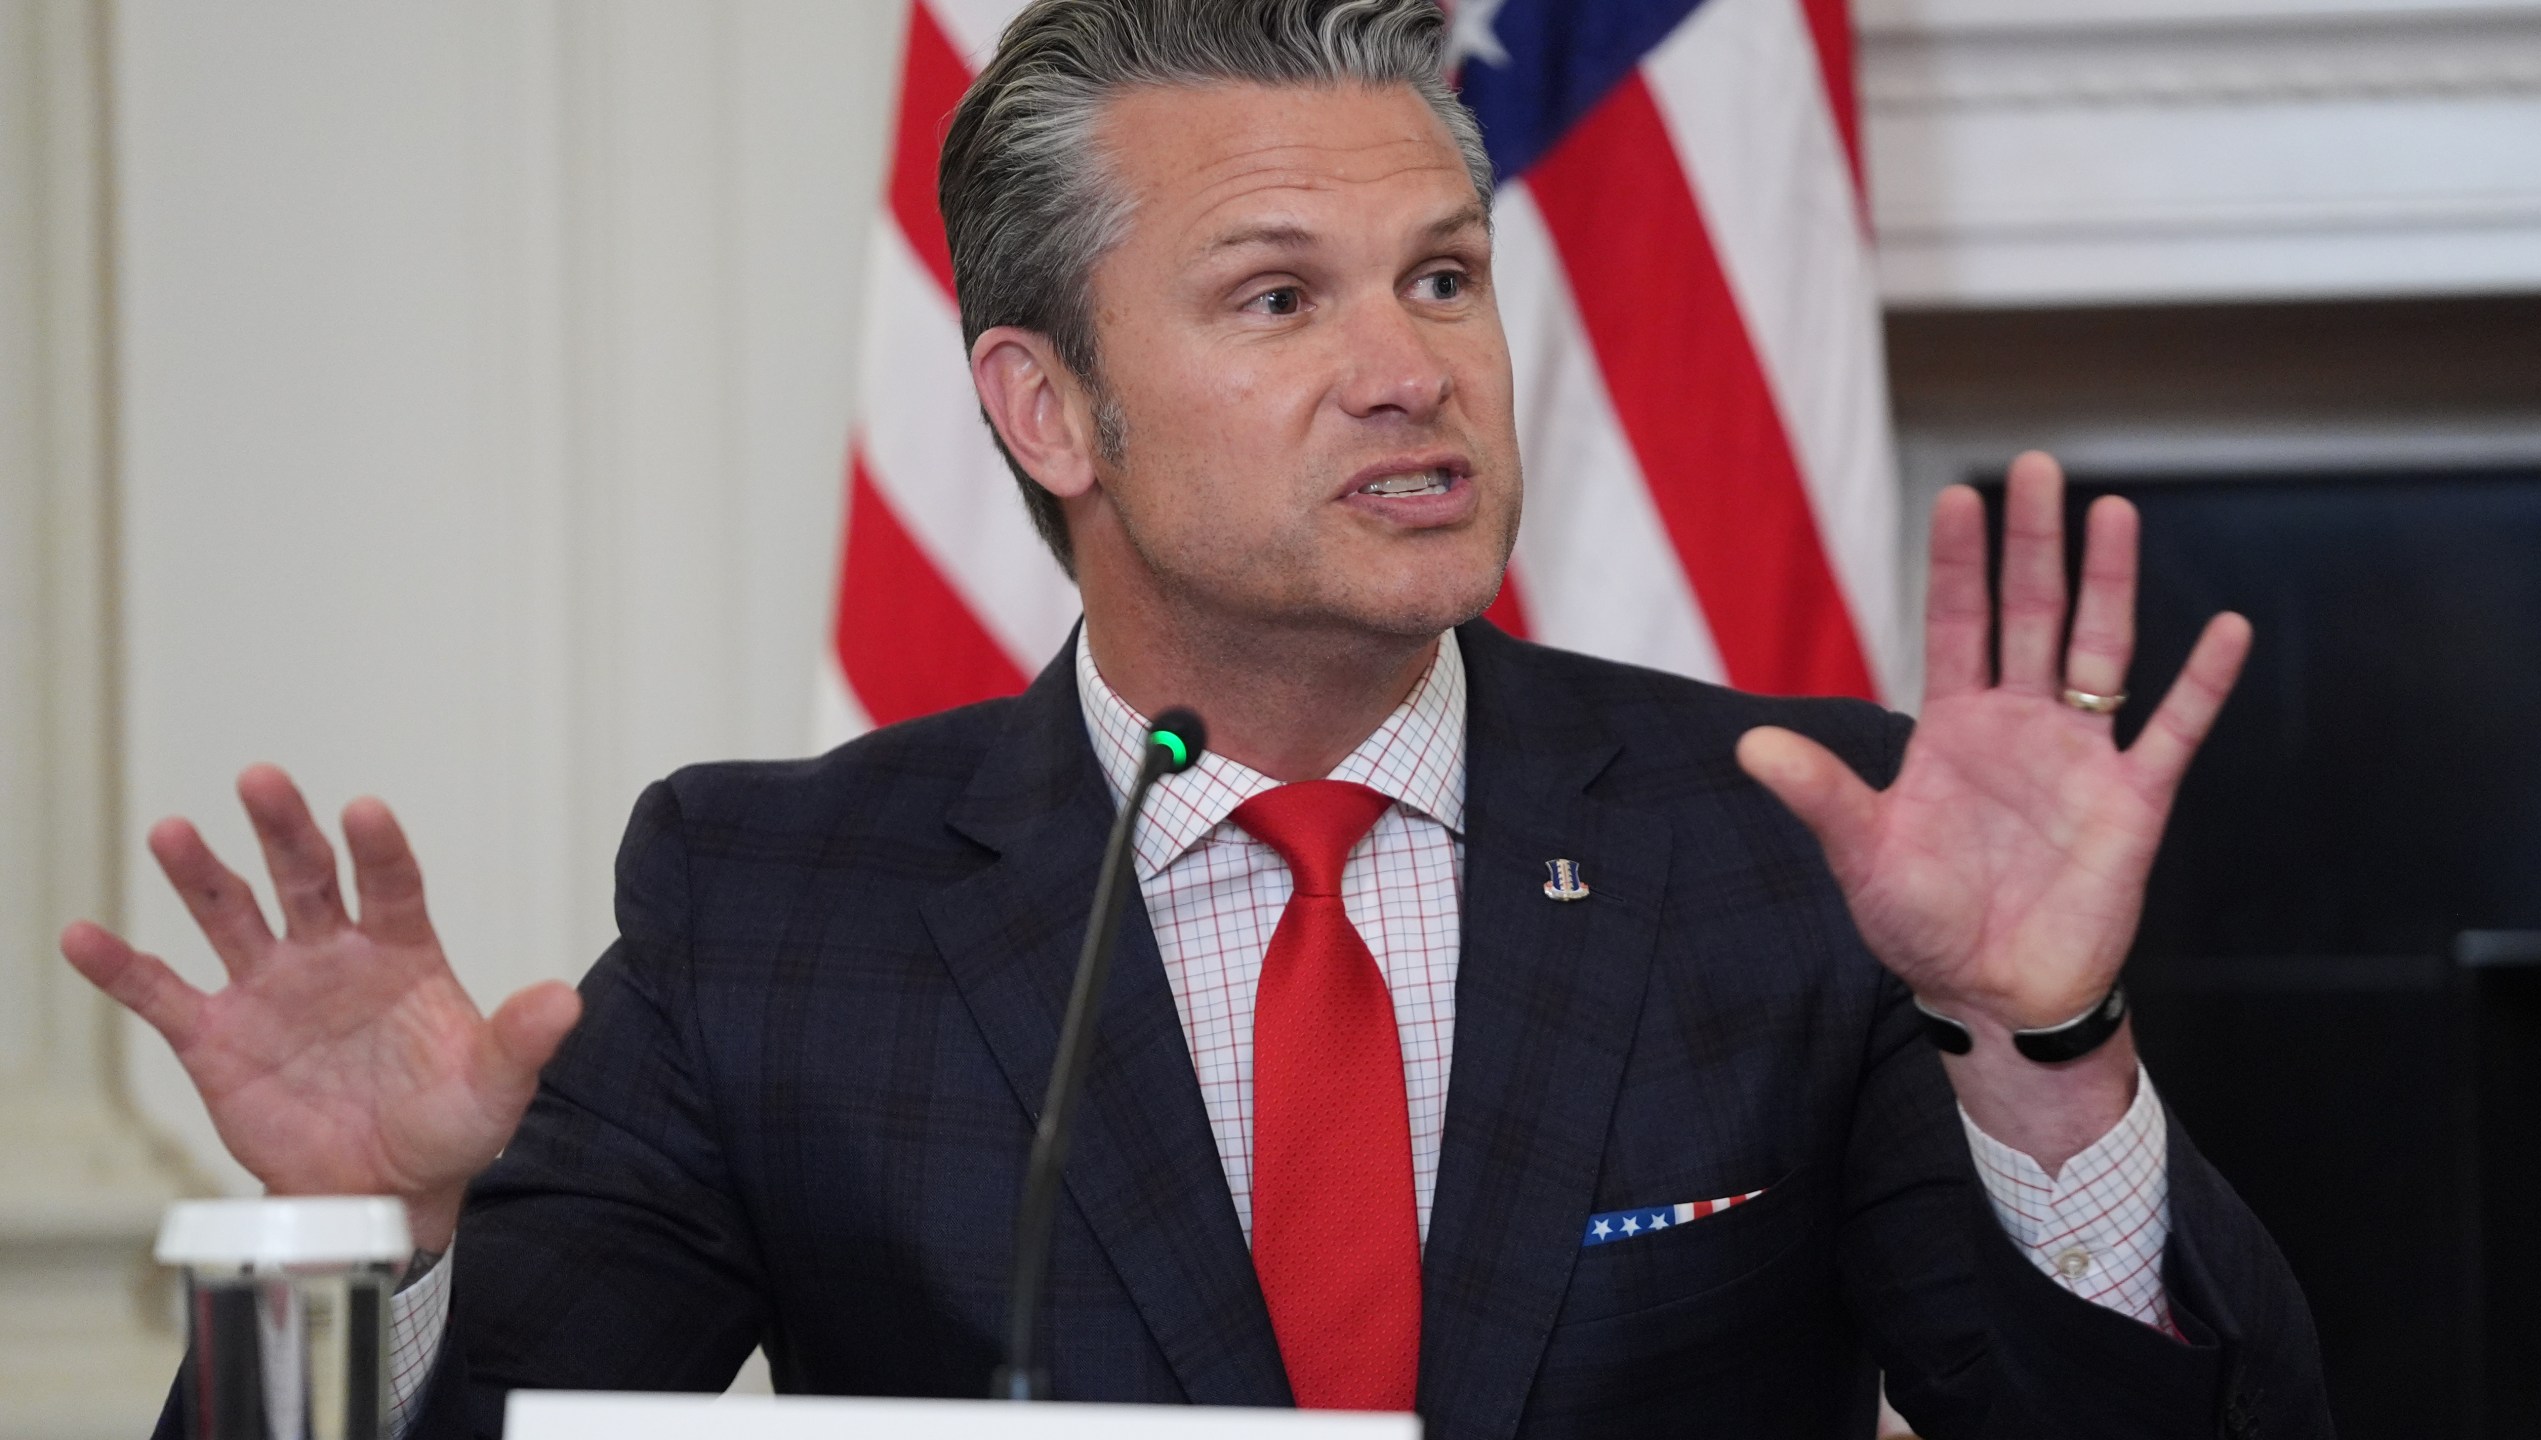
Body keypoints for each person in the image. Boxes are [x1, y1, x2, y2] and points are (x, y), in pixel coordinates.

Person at [67, 1, 2327, 1435]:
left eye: (1443, 275)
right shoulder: (780, 908)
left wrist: (2047, 1057)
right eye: (1279, 297)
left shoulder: (1772, 839)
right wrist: (381, 1268)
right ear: (1044, 406)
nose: (1411, 366)